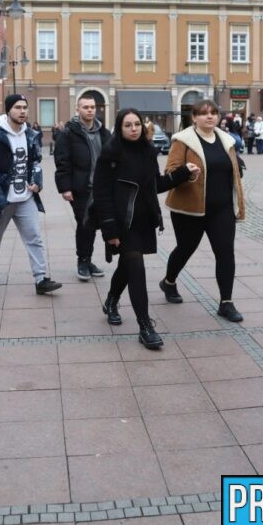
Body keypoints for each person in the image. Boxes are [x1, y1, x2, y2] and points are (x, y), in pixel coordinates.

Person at [94, 108, 198, 347]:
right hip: (121, 222)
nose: (133, 129)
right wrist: (109, 230)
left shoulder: (148, 152)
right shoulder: (110, 154)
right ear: (119, 128)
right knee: (136, 268)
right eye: (128, 125)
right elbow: (101, 193)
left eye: (137, 124)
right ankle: (145, 326)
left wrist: (183, 173)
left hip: (143, 221)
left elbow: (155, 185)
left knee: (127, 266)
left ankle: (111, 300)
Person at [161, 99, 246, 323]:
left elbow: (231, 169)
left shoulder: (225, 140)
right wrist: (186, 171)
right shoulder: (183, 141)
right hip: (190, 209)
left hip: (222, 209)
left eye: (213, 113)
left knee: (225, 252)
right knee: (186, 248)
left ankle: (226, 302)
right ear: (194, 118)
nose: (209, 117)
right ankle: (169, 281)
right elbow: (170, 169)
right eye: (204, 113)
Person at [0, 94, 63, 295]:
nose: (22, 111)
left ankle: (41, 279)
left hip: (25, 197)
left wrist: (37, 182)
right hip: (2, 198)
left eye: (25, 107)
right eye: (18, 107)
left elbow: (35, 163)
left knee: (34, 236)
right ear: (8, 110)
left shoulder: (31, 135)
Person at [54, 93, 112, 281]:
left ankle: (88, 260)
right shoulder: (68, 133)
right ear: (77, 109)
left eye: (92, 107)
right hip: (81, 188)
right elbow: (62, 161)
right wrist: (65, 187)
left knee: (94, 224)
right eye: (85, 107)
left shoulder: (104, 132)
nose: (90, 110)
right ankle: (83, 261)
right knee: (85, 223)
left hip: (102, 188)